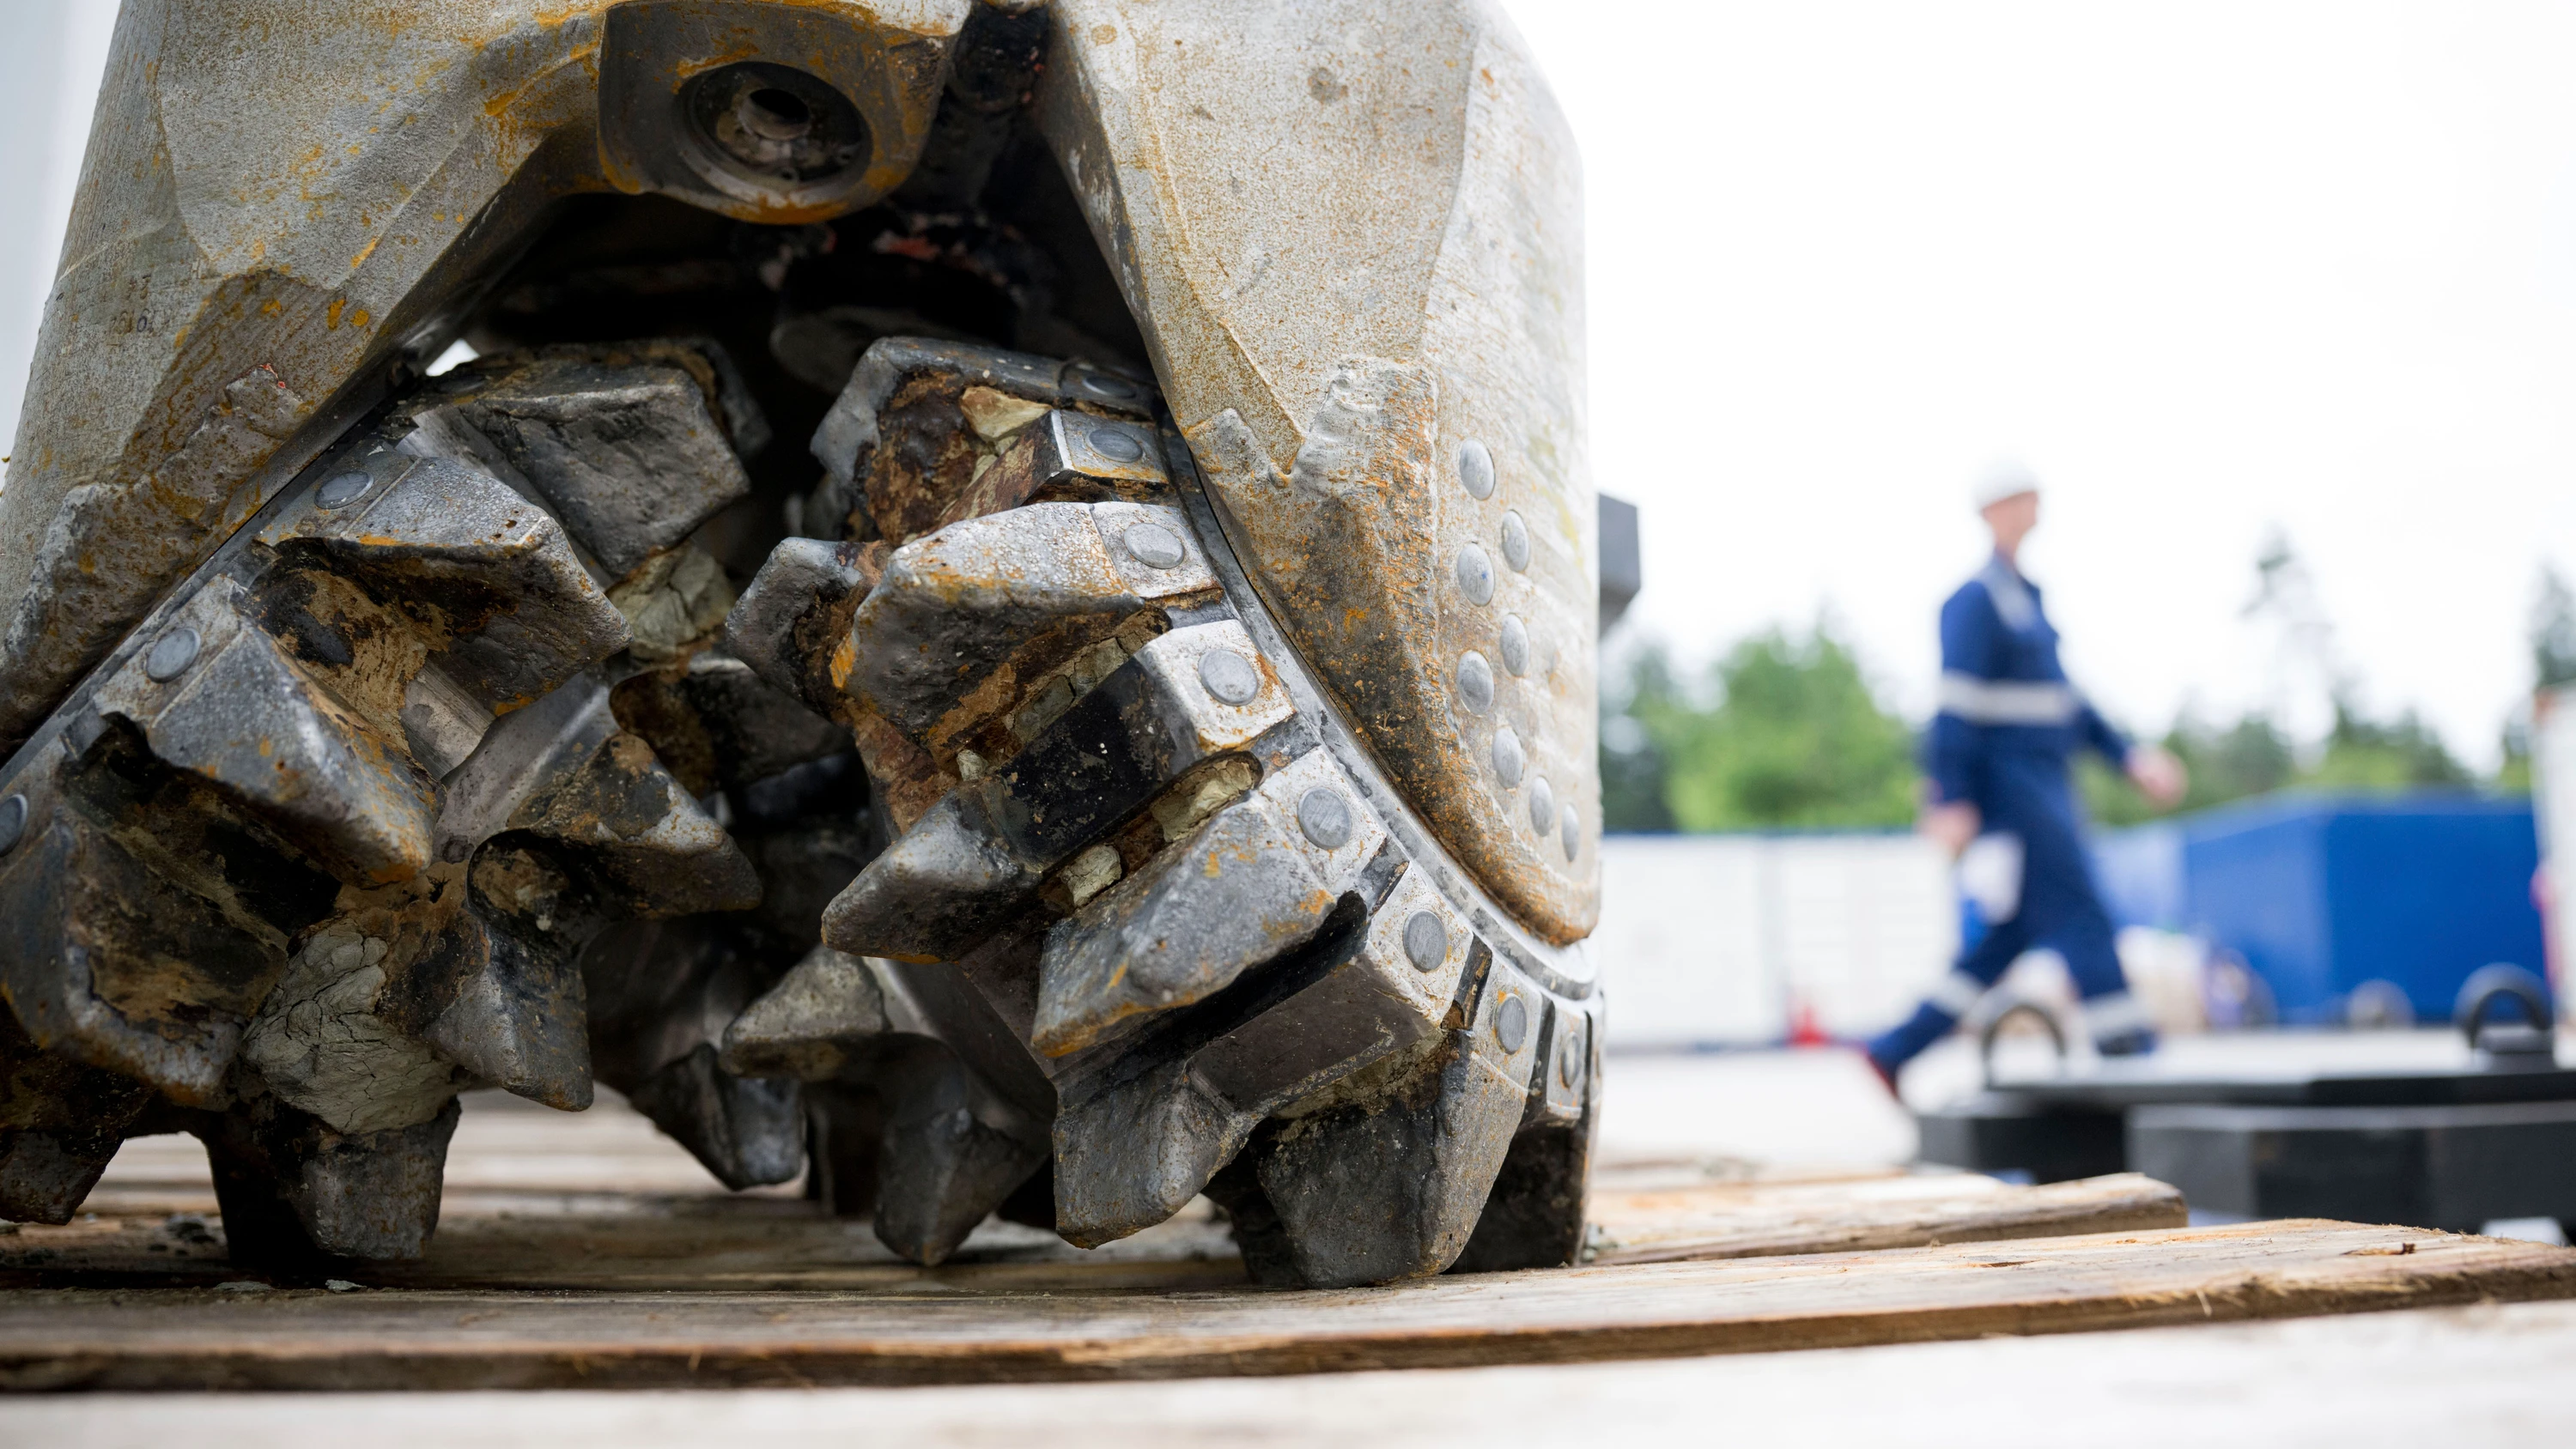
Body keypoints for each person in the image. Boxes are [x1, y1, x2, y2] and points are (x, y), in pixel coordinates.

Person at [1862, 461, 2187, 1090]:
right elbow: (1953, 710)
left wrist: (2128, 758)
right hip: (2016, 793)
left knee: (2005, 941)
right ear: (1989, 512)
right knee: (2083, 914)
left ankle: (1895, 1050)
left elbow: (2067, 705)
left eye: (2031, 499)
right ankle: (2132, 1061)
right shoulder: (1975, 602)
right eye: (2015, 500)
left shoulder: (2027, 601)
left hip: (2045, 782)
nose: (2027, 510)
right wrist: (1951, 796)